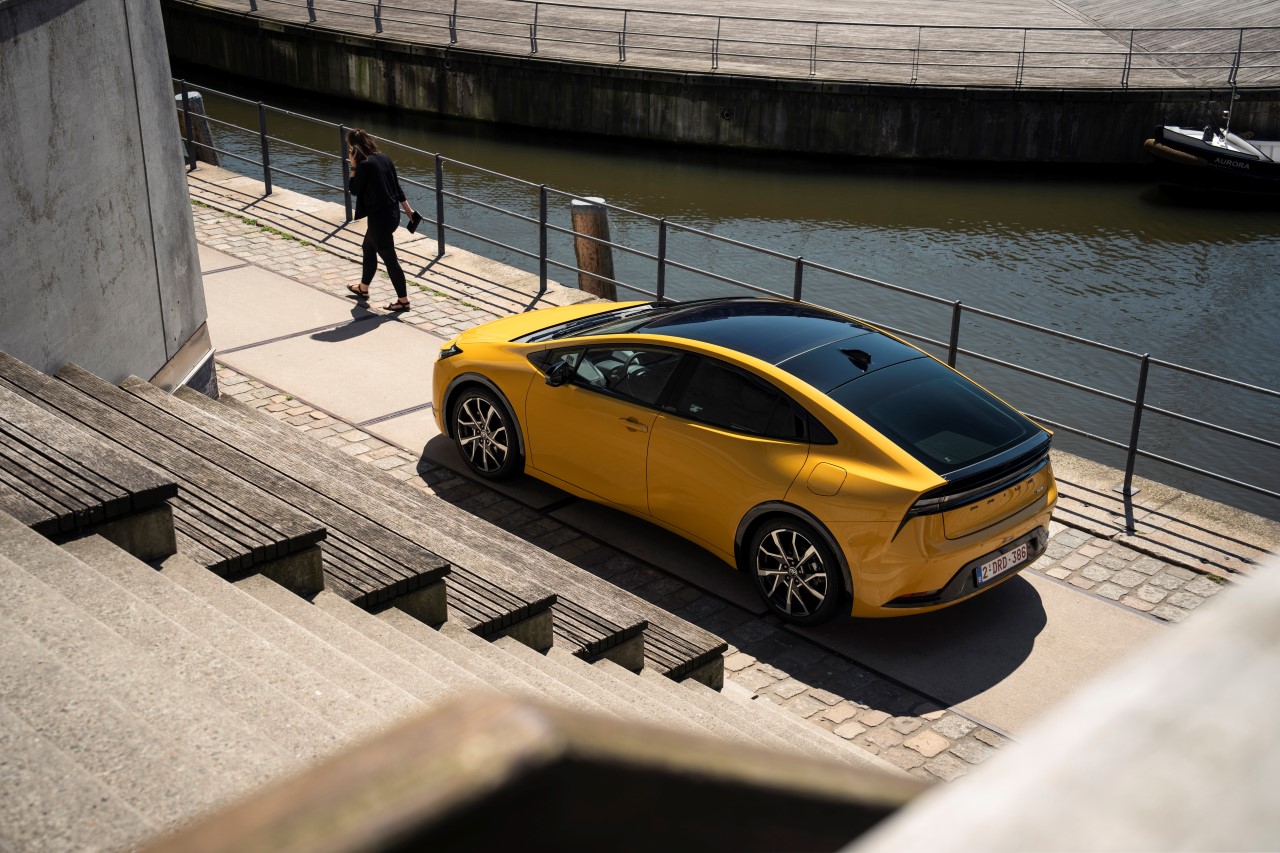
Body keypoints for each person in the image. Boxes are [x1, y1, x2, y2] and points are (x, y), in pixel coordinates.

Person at [345, 128, 417, 311]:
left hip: (379, 220)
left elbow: (354, 189)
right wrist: (408, 210)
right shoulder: (384, 158)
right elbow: (397, 187)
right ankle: (363, 288)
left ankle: (403, 301)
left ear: (354, 148)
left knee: (390, 260)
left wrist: (353, 166)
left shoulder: (364, 165)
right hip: (392, 214)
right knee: (368, 247)